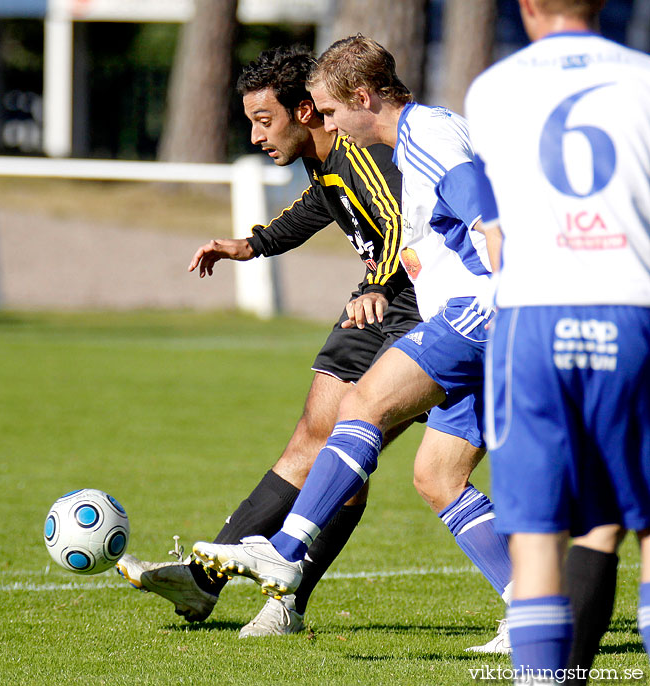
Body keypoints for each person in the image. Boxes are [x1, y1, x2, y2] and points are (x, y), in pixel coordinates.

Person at [191, 35, 513, 653]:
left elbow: (482, 216)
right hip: (476, 316)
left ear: (362, 98)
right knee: (437, 476)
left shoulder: (428, 138)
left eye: (332, 112)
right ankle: (532, 603)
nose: (327, 126)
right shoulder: (411, 143)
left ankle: (285, 553)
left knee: (361, 407)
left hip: (483, 315)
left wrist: (512, 295)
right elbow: (437, 233)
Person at [116, 45, 425, 638]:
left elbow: (402, 225)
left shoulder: (365, 154)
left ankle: (274, 598)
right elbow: (319, 205)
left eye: (264, 120)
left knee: (352, 458)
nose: (257, 135)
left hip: (416, 312)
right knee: (315, 441)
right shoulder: (325, 160)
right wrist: (250, 244)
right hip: (374, 307)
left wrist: (377, 285)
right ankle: (209, 581)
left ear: (306, 110)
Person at [464, 0, 650, 683]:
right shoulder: (643, 77)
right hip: (635, 309)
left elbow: (497, 221)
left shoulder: (491, 89)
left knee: (539, 528)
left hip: (531, 323)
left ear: (527, 7)